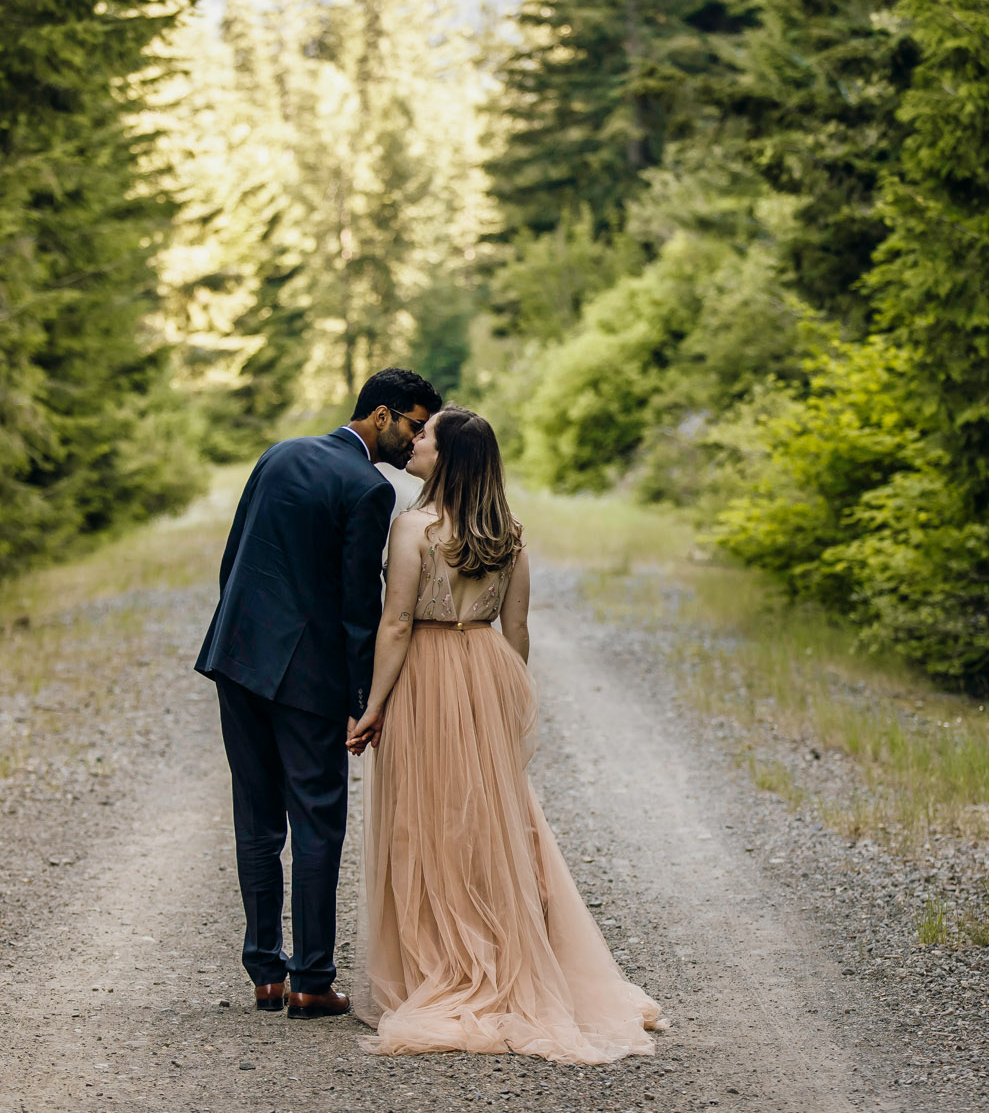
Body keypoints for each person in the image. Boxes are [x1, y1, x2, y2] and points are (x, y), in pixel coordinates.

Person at [347, 407, 665, 1062]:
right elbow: (517, 631)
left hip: (428, 673)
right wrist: (504, 695)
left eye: (428, 435)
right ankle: (498, 942)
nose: (416, 439)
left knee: (427, 816)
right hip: (486, 666)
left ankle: (438, 959)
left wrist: (373, 704)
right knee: (492, 816)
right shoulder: (509, 534)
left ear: (452, 456)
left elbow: (398, 623)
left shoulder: (414, 527)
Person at [194, 368, 442, 1020]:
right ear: (382, 414)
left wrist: (234, 632)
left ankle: (265, 974)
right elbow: (360, 607)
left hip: (238, 657)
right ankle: (310, 979)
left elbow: (235, 556)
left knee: (255, 817)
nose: (415, 440)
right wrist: (366, 699)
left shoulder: (279, 453)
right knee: (317, 822)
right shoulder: (365, 487)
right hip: (307, 680)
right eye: (414, 425)